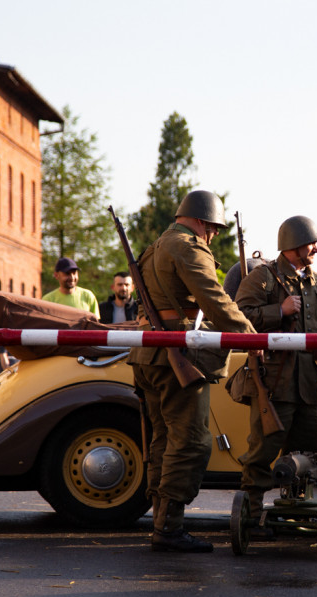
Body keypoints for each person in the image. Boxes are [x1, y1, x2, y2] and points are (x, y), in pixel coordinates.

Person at [126, 190, 256, 553]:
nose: (213, 235)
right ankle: (169, 527)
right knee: (190, 443)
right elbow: (213, 297)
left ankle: (162, 520)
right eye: (213, 228)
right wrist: (250, 336)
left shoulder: (156, 245)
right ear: (200, 221)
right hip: (175, 356)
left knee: (162, 440)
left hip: (149, 355)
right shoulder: (188, 246)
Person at [234, 216, 317, 525]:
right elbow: (239, 318)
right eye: (312, 244)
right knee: (260, 455)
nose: (316, 251)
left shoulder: (316, 281)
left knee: (309, 454)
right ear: (294, 246)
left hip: (307, 386)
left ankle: (299, 515)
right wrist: (277, 312)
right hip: (273, 384)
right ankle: (252, 519)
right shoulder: (263, 278)